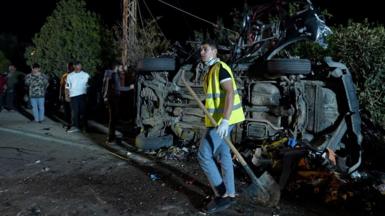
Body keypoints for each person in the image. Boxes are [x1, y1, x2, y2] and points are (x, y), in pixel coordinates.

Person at [197, 40, 245, 213]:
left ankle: (221, 194)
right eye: (201, 49)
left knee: (203, 155)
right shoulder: (210, 70)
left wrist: (225, 120)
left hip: (225, 120)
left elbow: (230, 92)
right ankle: (230, 193)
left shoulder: (220, 69)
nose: (202, 52)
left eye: (205, 49)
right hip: (218, 121)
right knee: (224, 154)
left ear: (215, 51)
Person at [65, 61, 90, 133]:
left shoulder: (86, 75)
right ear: (74, 66)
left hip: (83, 96)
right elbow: (67, 87)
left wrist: (88, 96)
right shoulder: (70, 75)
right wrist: (67, 96)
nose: (79, 67)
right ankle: (76, 127)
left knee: (84, 112)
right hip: (73, 96)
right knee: (75, 112)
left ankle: (85, 127)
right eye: (77, 66)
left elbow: (88, 86)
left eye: (80, 65)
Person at [102, 63, 121, 144]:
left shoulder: (108, 75)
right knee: (113, 119)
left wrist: (105, 96)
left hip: (110, 98)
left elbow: (105, 87)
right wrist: (129, 87)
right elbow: (118, 88)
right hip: (113, 98)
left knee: (112, 119)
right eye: (120, 66)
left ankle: (110, 137)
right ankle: (110, 138)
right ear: (116, 67)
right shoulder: (114, 75)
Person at [59, 62, 74, 129]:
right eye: (67, 66)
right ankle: (68, 123)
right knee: (66, 110)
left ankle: (72, 124)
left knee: (72, 110)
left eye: (69, 67)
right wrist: (60, 95)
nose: (68, 68)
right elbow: (61, 86)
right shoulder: (64, 76)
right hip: (65, 95)